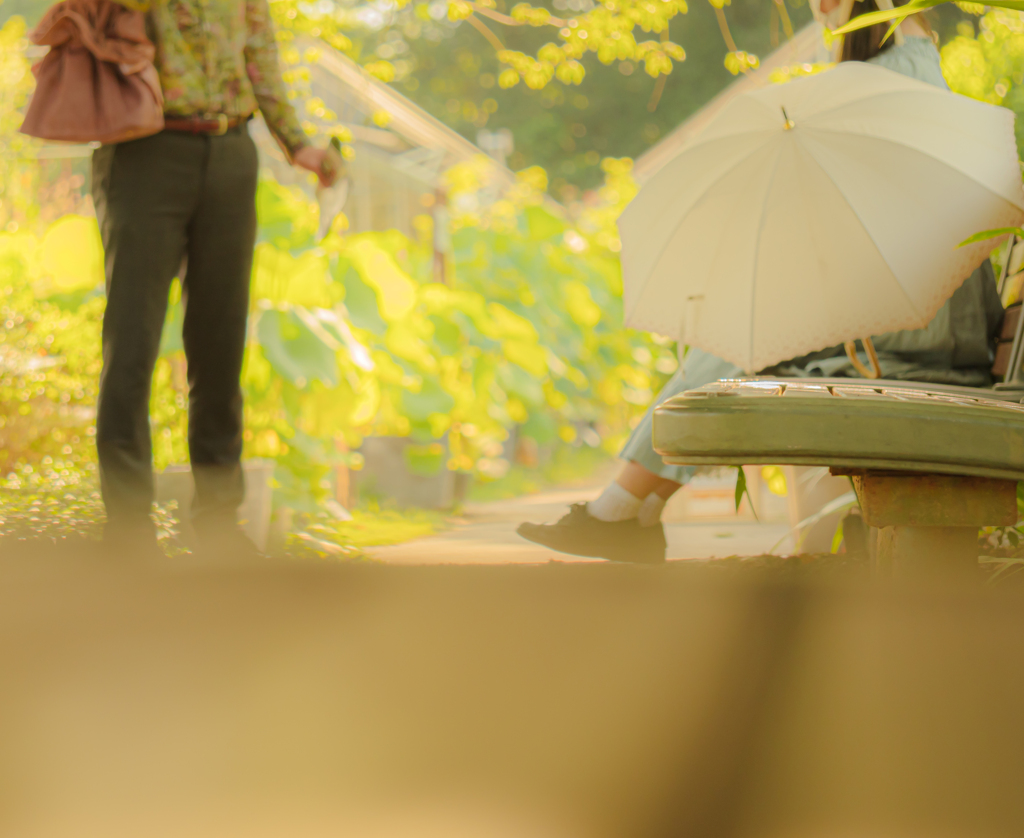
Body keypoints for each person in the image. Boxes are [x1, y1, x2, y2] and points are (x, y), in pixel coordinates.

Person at [518, 0, 1005, 564]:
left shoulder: (896, 67)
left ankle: (623, 511)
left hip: (925, 332)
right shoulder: (897, 62)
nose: (820, 9)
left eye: (829, 0)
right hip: (914, 318)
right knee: (736, 334)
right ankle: (631, 510)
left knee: (738, 335)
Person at [93, 0, 333, 556]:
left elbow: (261, 55)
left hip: (230, 153)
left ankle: (220, 523)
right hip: (143, 151)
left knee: (221, 345)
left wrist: (297, 143)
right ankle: (128, 530)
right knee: (131, 342)